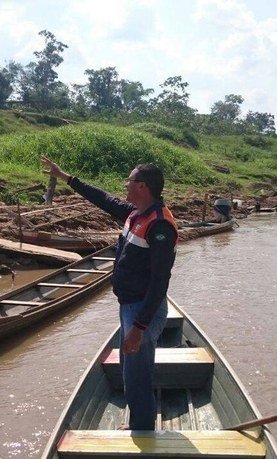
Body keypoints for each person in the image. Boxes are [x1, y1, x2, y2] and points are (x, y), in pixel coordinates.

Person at [40, 156, 178, 431]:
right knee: (129, 366)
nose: (125, 185)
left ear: (142, 186)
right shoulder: (136, 213)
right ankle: (139, 421)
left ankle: (142, 427)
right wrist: (66, 177)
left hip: (142, 309)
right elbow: (103, 199)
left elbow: (160, 281)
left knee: (137, 371)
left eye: (129, 180)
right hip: (129, 305)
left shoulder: (160, 225)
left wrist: (139, 326)